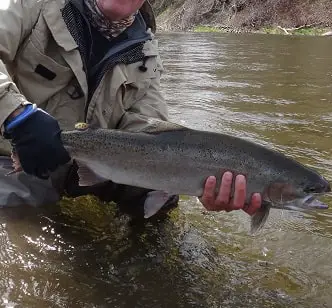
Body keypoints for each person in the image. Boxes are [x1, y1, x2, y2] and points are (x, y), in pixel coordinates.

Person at [0, 0, 262, 216]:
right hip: (14, 153)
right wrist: (17, 115)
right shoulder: (29, 5)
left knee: (160, 199)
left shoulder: (146, 50)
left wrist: (197, 179)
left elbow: (149, 127)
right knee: (19, 218)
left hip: (97, 160)